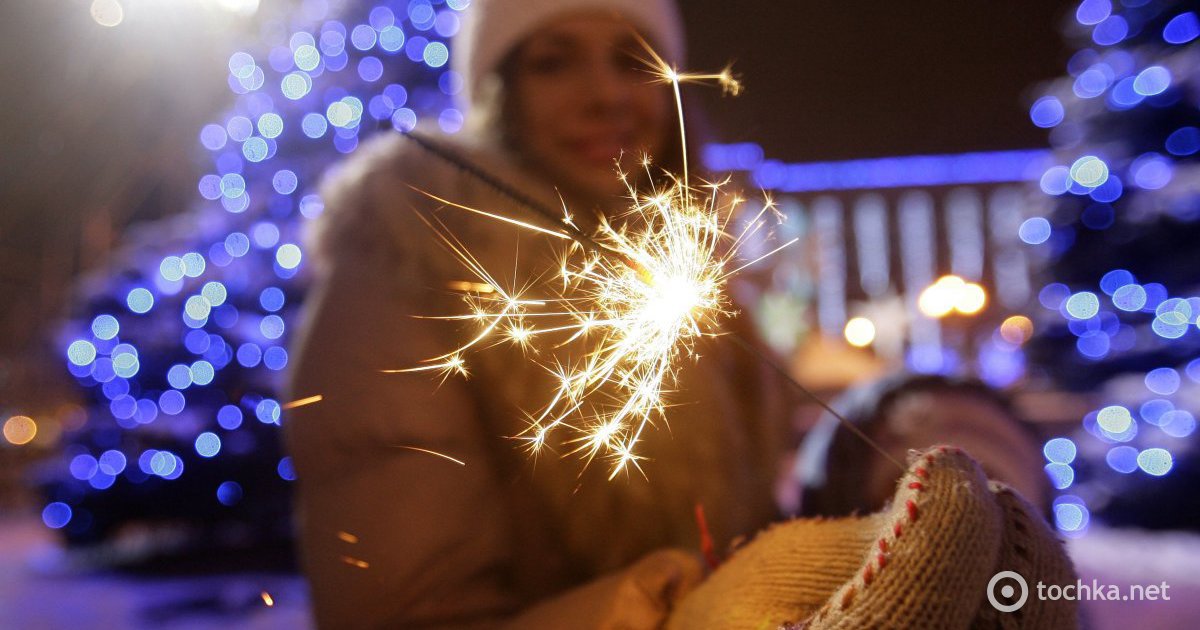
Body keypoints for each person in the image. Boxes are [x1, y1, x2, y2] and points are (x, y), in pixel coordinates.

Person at [284, 1, 793, 627]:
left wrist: (886, 445)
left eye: (635, 61)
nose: (607, 95)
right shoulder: (409, 266)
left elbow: (762, 528)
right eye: (553, 63)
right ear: (501, 92)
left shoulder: (688, 277)